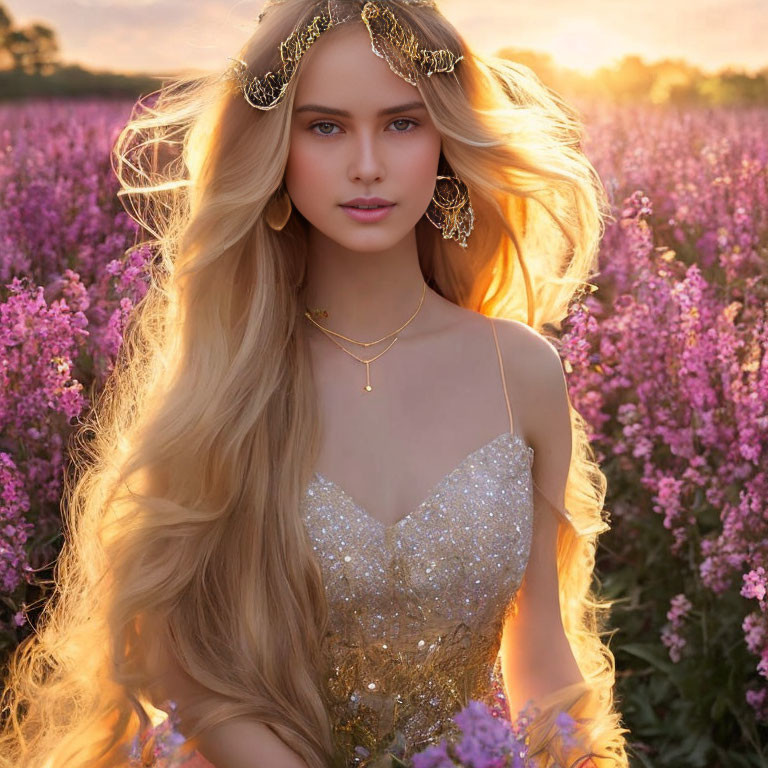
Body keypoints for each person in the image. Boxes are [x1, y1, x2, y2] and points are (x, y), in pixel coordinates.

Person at [0, 1, 630, 767]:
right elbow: (179, 657)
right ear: (274, 148)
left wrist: (574, 755)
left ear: (446, 140)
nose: (367, 163)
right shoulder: (229, 377)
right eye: (325, 126)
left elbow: (538, 648)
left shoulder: (520, 370)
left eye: (402, 123)